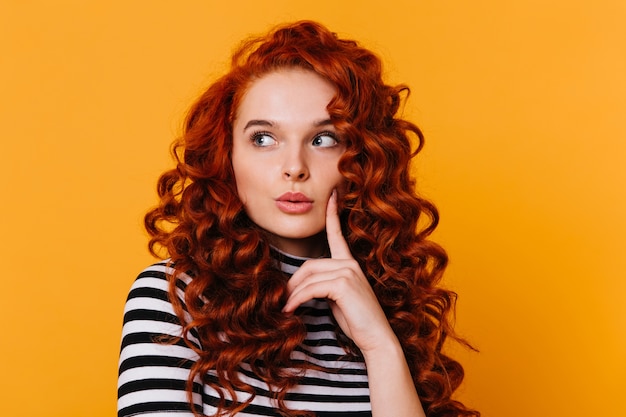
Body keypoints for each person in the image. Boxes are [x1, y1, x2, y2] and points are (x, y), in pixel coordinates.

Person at [117, 20, 479, 417]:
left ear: (362, 160)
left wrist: (380, 344)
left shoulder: (388, 304)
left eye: (324, 139)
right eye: (263, 138)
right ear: (228, 156)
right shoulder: (176, 297)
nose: (294, 167)